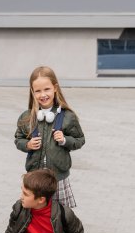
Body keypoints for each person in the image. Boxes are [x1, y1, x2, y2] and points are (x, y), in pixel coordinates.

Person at [14, 65, 85, 208]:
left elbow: (80, 140)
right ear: (32, 92)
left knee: (59, 214)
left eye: (47, 89)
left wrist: (65, 140)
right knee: (35, 214)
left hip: (58, 178)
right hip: (34, 177)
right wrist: (27, 145)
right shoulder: (27, 117)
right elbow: (18, 139)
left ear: (55, 88)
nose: (43, 94)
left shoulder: (68, 117)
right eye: (38, 91)